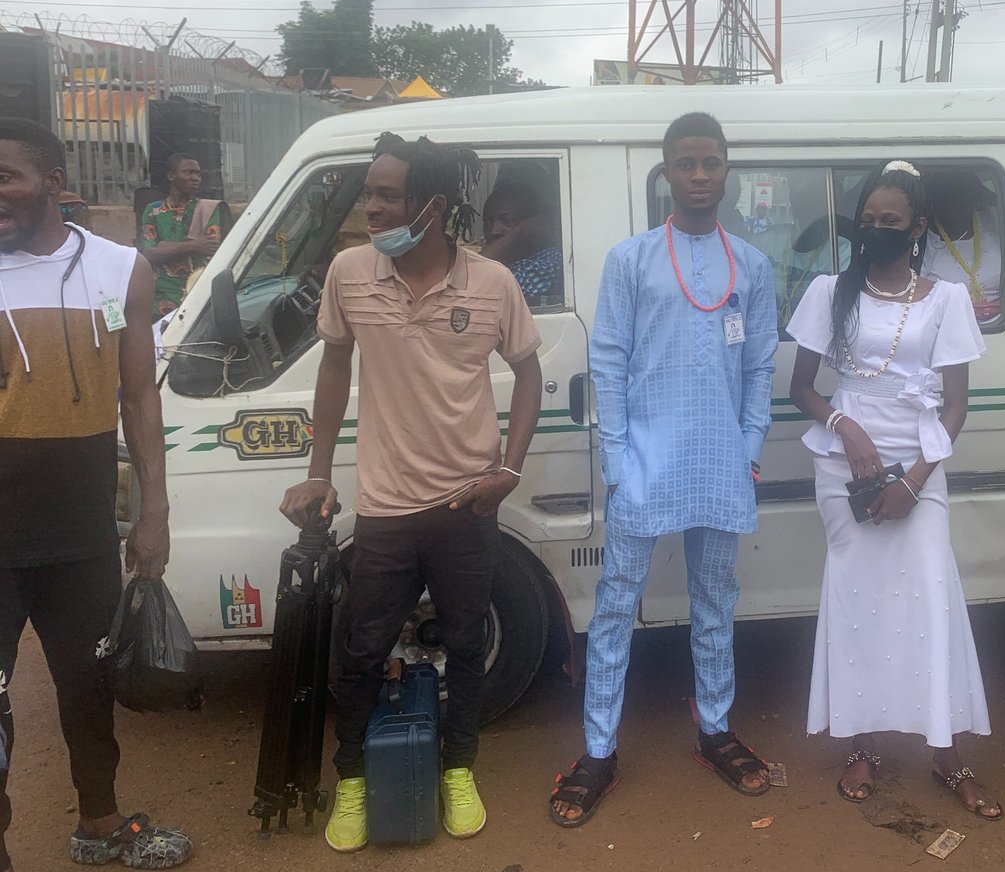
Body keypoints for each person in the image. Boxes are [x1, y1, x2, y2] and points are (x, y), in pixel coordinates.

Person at [278, 132, 543, 853]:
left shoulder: (491, 283)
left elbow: (528, 374)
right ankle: (354, 778)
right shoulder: (349, 273)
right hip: (386, 507)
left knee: (465, 644)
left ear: (432, 206)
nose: (371, 207)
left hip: (466, 504)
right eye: (369, 193)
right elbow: (334, 367)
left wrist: (510, 470)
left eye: (386, 195)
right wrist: (319, 469)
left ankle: (458, 769)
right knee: (362, 650)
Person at [548, 112, 778, 827]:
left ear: (727, 169)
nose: (700, 176)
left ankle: (716, 730)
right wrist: (617, 460)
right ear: (667, 173)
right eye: (686, 164)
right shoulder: (632, 260)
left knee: (716, 599)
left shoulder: (752, 265)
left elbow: (760, 364)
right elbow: (608, 360)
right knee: (616, 604)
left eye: (711, 162)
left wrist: (749, 447)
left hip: (720, 461)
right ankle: (598, 750)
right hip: (644, 464)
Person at [0, 117, 191, 870]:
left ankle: (100, 823)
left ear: (53, 183)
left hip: (80, 536)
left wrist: (153, 511)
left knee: (88, 687)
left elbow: (140, 397)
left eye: (6, 178)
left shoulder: (120, 269)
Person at [786, 160, 1002, 818]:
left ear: (916, 228)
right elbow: (802, 389)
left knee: (930, 601)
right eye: (868, 220)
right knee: (859, 604)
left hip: (920, 463)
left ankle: (946, 753)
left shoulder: (946, 299)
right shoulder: (829, 291)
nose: (877, 228)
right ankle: (863, 744)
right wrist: (845, 426)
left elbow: (955, 406)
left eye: (891, 220)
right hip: (844, 465)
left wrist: (913, 480)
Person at [137, 154, 229, 320]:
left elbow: (210, 249)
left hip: (196, 297)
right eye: (188, 173)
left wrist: (164, 246)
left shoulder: (207, 209)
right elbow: (148, 255)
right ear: (171, 175)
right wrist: (191, 246)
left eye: (198, 174)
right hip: (159, 300)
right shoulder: (153, 211)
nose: (195, 178)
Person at [920, 171, 1005, 322]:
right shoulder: (919, 236)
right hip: (943, 325)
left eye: (961, 188)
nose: (954, 196)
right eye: (945, 189)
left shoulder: (995, 219)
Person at [480, 182, 563, 305]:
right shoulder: (506, 259)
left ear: (533, 224)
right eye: (488, 221)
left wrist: (519, 232)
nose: (494, 231)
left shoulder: (550, 262)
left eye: (507, 220)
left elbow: (474, 281)